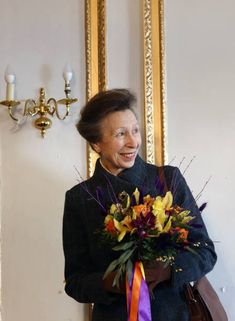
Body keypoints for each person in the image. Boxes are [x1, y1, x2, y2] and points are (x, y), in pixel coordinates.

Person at [63, 89, 217, 321]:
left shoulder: (169, 180)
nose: (133, 141)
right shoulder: (79, 198)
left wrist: (170, 270)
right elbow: (75, 282)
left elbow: (205, 251)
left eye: (135, 130)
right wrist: (110, 282)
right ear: (96, 144)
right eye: (120, 134)